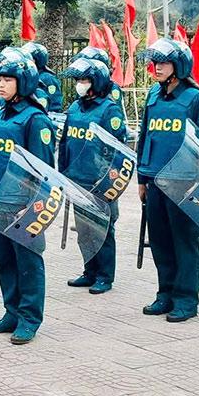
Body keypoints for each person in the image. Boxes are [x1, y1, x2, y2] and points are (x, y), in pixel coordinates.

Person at [135, 38, 199, 323]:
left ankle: (186, 299)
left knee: (184, 243)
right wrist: (141, 178)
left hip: (184, 185)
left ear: (179, 66)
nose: (157, 68)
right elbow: (145, 137)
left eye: (164, 63)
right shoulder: (153, 97)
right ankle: (164, 293)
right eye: (155, 62)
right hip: (156, 182)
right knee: (160, 241)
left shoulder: (196, 99)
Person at [0, 51, 55, 344]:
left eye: (8, 79)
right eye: (0, 78)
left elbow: (44, 169)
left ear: (23, 82)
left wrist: (35, 206)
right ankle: (11, 311)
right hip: (0, 201)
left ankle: (29, 318)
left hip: (24, 205)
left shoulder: (35, 120)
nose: (1, 84)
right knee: (5, 260)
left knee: (28, 261)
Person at [58, 57, 128, 294]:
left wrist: (109, 179)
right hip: (77, 178)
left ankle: (105, 276)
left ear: (96, 82)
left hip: (99, 182)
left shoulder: (109, 110)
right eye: (78, 79)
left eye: (85, 80)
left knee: (103, 229)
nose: (80, 84)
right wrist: (63, 172)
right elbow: (66, 140)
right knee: (85, 230)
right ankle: (89, 271)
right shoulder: (76, 107)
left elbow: (119, 149)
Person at [22, 42, 64, 115]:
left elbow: (55, 103)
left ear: (36, 60)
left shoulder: (47, 78)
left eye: (28, 58)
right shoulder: (29, 76)